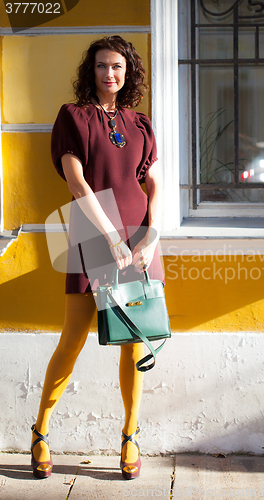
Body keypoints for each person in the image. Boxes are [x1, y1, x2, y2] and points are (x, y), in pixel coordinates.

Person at [30, 35, 164, 480]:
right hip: (94, 239)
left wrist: (150, 236)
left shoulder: (140, 123)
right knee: (72, 339)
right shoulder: (74, 118)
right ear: (92, 71)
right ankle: (41, 431)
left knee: (133, 342)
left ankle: (129, 437)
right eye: (102, 66)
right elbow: (77, 184)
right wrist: (111, 238)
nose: (110, 73)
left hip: (139, 242)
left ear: (128, 74)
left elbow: (155, 186)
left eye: (118, 67)